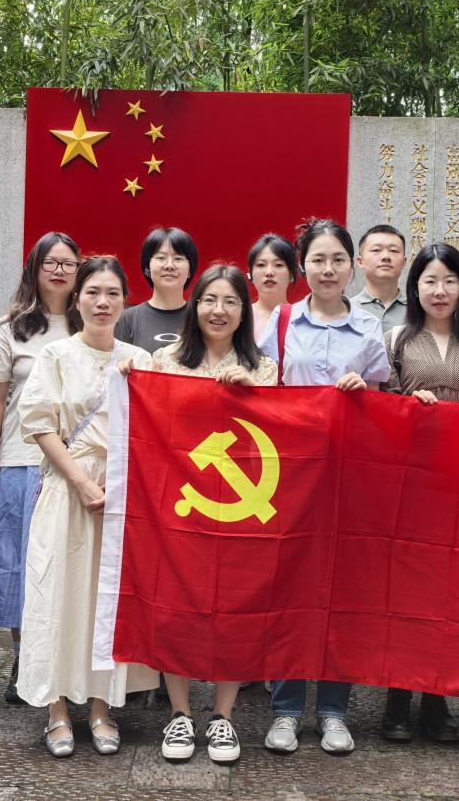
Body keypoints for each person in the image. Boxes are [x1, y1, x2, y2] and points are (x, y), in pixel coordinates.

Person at [16, 255, 160, 757]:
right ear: (77, 299)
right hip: (67, 486)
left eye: (113, 293)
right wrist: (80, 481)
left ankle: (102, 705)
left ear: (125, 301)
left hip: (124, 493)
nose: (103, 302)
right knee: (58, 592)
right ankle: (56, 709)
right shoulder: (56, 355)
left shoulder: (141, 359)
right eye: (93, 292)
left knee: (109, 600)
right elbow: (39, 426)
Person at [258, 217, 390, 756]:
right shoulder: (282, 321)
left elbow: (383, 406)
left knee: (343, 590)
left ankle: (335, 710)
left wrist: (365, 394)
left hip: (349, 476)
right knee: (289, 588)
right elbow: (264, 390)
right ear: (302, 266)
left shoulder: (369, 326)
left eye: (337, 259)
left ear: (351, 265)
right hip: (292, 475)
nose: (328, 269)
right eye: (318, 259)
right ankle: (286, 709)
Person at [141, 264, 278, 765]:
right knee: (173, 604)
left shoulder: (263, 368)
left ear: (244, 311)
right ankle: (180, 713)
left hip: (238, 516)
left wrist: (253, 395)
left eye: (230, 302)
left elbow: (277, 434)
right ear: (194, 305)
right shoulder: (164, 360)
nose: (219, 311)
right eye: (209, 300)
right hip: (178, 505)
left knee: (234, 606)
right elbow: (147, 422)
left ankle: (222, 715)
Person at [380, 243, 459, 746]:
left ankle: (437, 696)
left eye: (450, 280)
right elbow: (380, 408)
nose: (440, 290)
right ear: (415, 288)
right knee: (405, 591)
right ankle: (397, 696)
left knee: (449, 594)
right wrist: (408, 405)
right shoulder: (395, 339)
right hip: (408, 484)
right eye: (429, 280)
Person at [0, 232, 80, 705]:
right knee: (19, 565)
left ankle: (69, 661)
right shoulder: (10, 328)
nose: (59, 271)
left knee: (69, 563)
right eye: (50, 263)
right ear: (34, 269)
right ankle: (25, 659)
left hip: (78, 464)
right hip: (22, 461)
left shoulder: (91, 320)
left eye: (68, 263)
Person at [114, 226, 198, 352]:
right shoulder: (126, 319)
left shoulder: (200, 317)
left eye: (178, 259)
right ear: (147, 268)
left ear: (190, 270)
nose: (169, 265)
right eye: (161, 258)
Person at [353, 224, 408, 333]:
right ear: (360, 261)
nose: (386, 256)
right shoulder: (347, 310)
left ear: (404, 262)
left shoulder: (418, 311)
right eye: (376, 250)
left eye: (394, 250)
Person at [247, 233, 298, 344]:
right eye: (261, 265)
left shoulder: (301, 318)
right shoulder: (241, 316)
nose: (269, 272)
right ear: (250, 274)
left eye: (278, 265)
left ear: (291, 274)